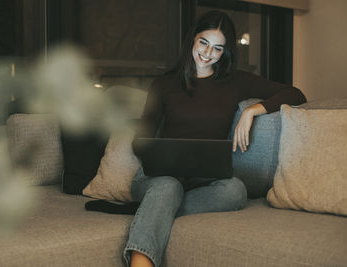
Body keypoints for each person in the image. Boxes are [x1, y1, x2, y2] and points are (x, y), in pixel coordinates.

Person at [123, 10, 306, 267]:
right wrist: (157, 152)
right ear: (193, 40)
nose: (208, 54)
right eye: (204, 43)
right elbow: (140, 140)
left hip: (203, 183)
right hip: (157, 179)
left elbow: (295, 93)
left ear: (225, 52)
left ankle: (157, 211)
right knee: (167, 187)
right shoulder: (164, 85)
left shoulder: (235, 82)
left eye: (218, 49)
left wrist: (253, 111)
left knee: (235, 191)